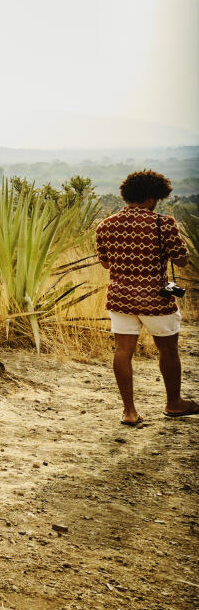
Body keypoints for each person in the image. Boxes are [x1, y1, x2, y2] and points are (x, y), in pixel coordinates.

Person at [94, 169, 195, 426]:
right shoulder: (164, 223)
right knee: (168, 350)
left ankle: (129, 411)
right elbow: (181, 260)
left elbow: (105, 264)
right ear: (152, 198)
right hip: (157, 299)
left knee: (123, 351)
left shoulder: (105, 225)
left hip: (120, 298)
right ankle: (174, 404)